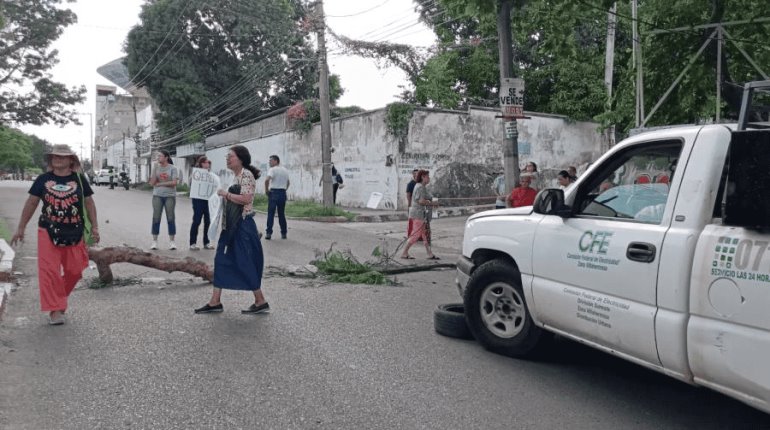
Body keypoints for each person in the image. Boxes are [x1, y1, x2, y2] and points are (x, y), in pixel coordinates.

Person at [10, 144, 100, 325]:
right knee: (49, 272)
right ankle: (55, 310)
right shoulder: (43, 179)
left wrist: (95, 227)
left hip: (74, 230)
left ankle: (58, 300)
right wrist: (21, 227)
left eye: (62, 156)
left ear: (71, 160)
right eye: (54, 156)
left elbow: (89, 203)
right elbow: (32, 203)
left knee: (74, 271)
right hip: (47, 230)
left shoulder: (80, 179)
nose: (57, 159)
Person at [195, 145, 269, 315]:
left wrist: (225, 195)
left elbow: (246, 199)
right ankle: (215, 301)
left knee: (244, 262)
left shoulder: (246, 175)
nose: (227, 159)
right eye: (227, 156)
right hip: (231, 226)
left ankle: (260, 300)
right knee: (222, 259)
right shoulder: (236, 176)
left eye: (231, 156)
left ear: (241, 158)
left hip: (242, 225)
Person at [400, 170, 440, 260]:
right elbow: (421, 201)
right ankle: (404, 253)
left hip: (419, 214)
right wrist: (432, 203)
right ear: (423, 177)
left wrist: (435, 201)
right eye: (427, 177)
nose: (429, 179)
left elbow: (429, 196)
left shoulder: (421, 187)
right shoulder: (420, 187)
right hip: (417, 214)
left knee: (424, 235)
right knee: (416, 235)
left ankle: (429, 254)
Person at [149, 149, 179, 250]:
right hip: (157, 195)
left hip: (170, 196)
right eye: (157, 156)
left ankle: (172, 242)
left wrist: (160, 184)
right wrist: (154, 170)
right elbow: (152, 183)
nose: (158, 158)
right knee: (156, 218)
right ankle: (154, 241)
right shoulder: (156, 167)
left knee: (170, 218)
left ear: (166, 157)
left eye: (160, 156)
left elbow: (174, 183)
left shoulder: (173, 168)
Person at [189, 155, 214, 250]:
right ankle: (192, 243)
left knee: (208, 221)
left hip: (208, 200)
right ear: (202, 163)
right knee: (197, 221)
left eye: (208, 163)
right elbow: (192, 184)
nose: (208, 164)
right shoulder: (196, 173)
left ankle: (206, 242)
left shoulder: (210, 174)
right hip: (198, 200)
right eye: (206, 162)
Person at [264, 154, 290, 240]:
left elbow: (267, 180)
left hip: (274, 193)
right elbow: (288, 182)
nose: (269, 162)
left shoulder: (272, 169)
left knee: (271, 214)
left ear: (276, 161)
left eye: (271, 161)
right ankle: (284, 233)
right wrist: (284, 189)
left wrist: (266, 190)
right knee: (281, 214)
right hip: (282, 193)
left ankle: (268, 233)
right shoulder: (285, 170)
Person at [405, 168, 419, 238]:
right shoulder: (410, 184)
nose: (417, 174)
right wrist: (410, 204)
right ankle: (410, 235)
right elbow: (408, 195)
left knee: (418, 221)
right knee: (411, 221)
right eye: (415, 173)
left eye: (418, 173)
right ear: (413, 175)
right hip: (412, 205)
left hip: (419, 206)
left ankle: (417, 235)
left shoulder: (419, 183)